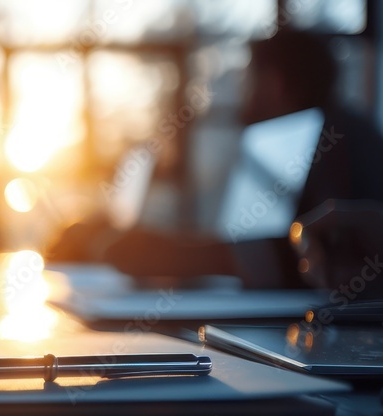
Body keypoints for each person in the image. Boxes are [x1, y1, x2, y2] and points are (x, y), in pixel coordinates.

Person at [47, 29, 383, 293]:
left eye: (247, 78)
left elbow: (330, 254)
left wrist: (183, 257)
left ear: (275, 83)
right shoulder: (320, 136)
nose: (240, 92)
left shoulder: (338, 141)